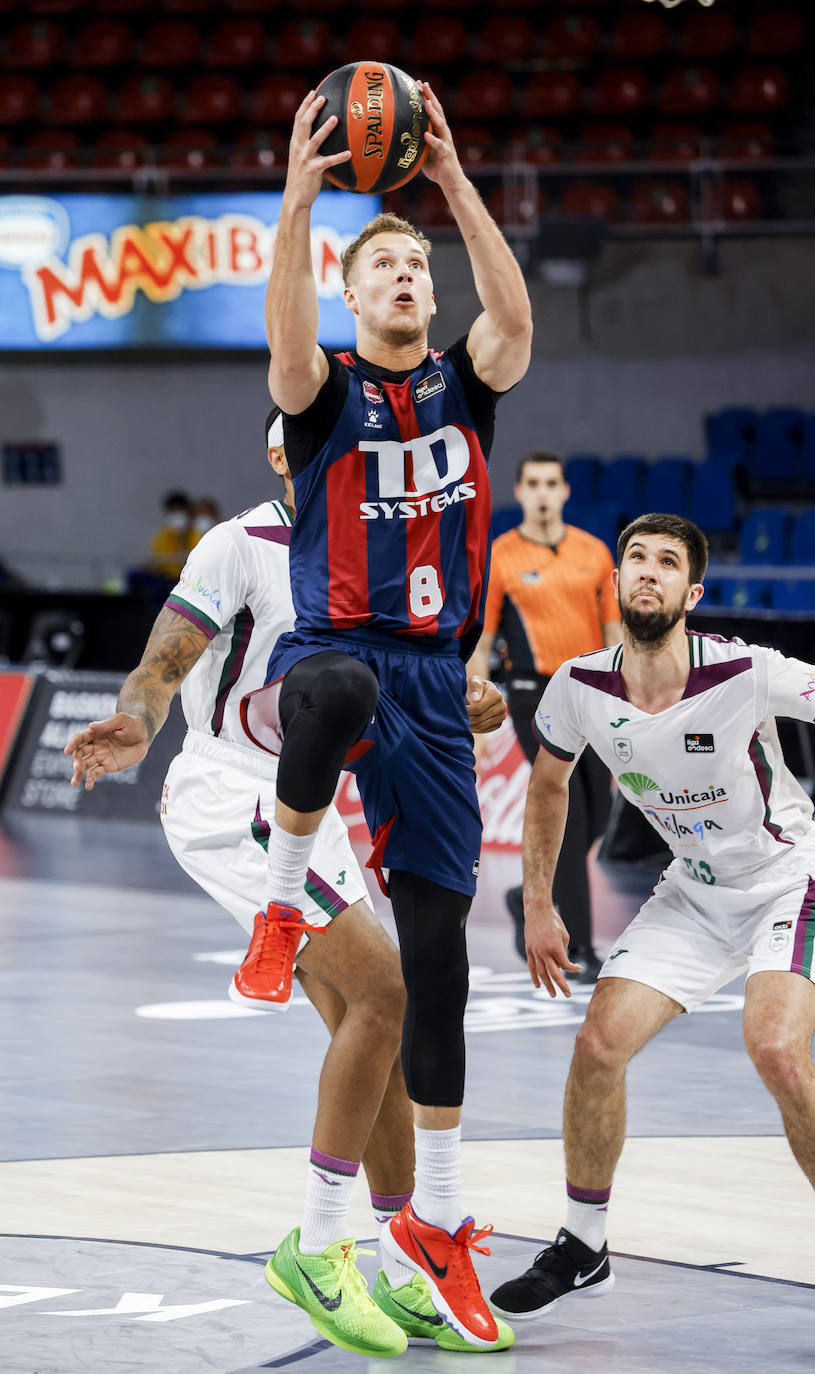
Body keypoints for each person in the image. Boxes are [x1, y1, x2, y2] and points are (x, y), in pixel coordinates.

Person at [64, 412, 509, 1359]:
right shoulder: (240, 543)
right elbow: (161, 662)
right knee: (388, 992)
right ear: (282, 455)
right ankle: (315, 1245)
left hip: (313, 805)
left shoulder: (379, 556)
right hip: (231, 792)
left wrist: (462, 697)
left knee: (369, 1025)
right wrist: (138, 718)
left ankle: (400, 1259)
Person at [237, 81, 532, 1350]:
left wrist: (452, 181)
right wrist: (300, 201)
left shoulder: (467, 386)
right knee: (339, 687)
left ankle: (434, 1223)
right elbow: (285, 345)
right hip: (334, 656)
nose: (408, 278)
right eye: (387, 268)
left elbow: (512, 323)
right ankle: (281, 899)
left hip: (433, 682)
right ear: (353, 296)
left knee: (437, 966)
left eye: (417, 267)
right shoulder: (321, 394)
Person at [490, 512, 815, 1321]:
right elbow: (547, 786)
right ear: (616, 581)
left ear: (690, 593)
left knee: (775, 1049)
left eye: (666, 562)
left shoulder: (744, 670)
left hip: (786, 880)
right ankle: (582, 1246)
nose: (646, 570)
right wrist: (540, 903)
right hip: (692, 893)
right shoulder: (578, 686)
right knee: (597, 1047)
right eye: (635, 557)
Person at [470, 452, 621, 978]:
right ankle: (579, 946)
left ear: (564, 491)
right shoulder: (501, 556)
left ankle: (522, 895)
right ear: (519, 491)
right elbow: (482, 643)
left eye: (550, 483)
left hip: (592, 694)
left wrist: (624, 701)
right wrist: (477, 714)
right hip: (534, 696)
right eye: (532, 483)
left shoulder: (594, 552)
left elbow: (613, 635)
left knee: (597, 818)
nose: (541, 492)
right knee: (571, 816)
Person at [148, 490, 192, 581]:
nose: (177, 515)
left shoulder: (196, 534)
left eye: (180, 511)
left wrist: (182, 538)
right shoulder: (164, 534)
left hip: (190, 578)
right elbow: (156, 560)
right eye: (174, 511)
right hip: (167, 577)